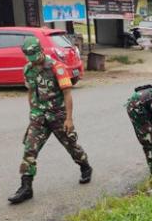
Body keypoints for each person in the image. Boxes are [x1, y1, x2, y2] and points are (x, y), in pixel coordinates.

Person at [8, 37, 93, 204]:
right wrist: (32, 111)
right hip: (39, 116)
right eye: (29, 57)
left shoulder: (57, 67)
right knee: (29, 149)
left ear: (40, 51)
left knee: (71, 145)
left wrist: (69, 119)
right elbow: (31, 91)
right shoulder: (28, 69)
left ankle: (85, 167)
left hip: (58, 115)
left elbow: (68, 94)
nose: (32, 61)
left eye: (34, 56)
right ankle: (26, 187)